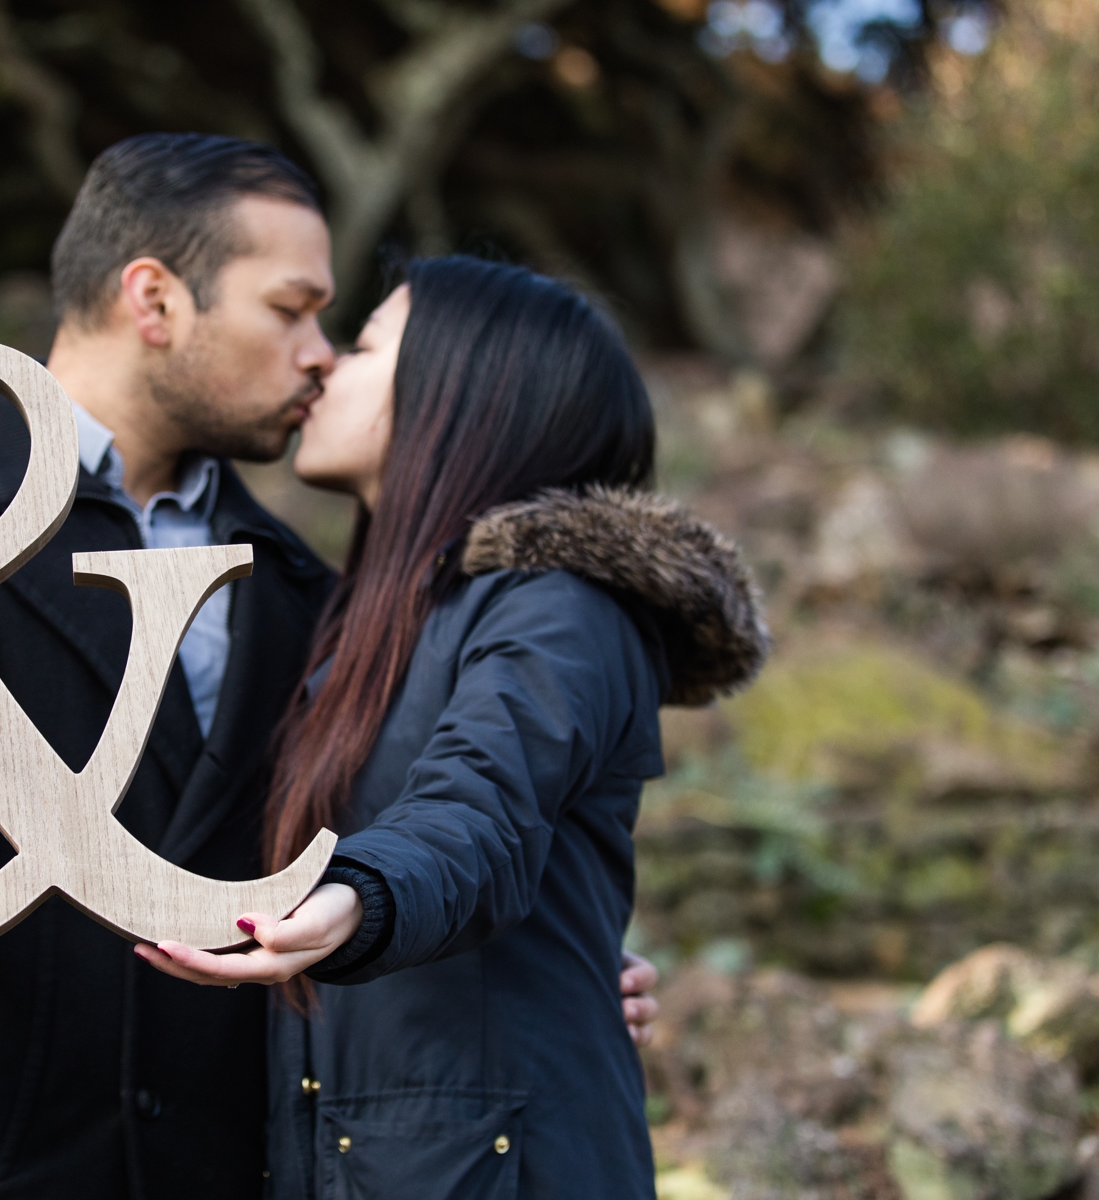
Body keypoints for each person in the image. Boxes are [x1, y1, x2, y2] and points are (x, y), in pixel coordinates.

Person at [0, 135, 658, 1200]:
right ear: (156, 301)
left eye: (337, 327)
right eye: (291, 309)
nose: (318, 352)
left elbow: (445, 803)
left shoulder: (300, 583)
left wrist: (552, 955)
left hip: (227, 1163)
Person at [139, 257, 767, 1198]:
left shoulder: (561, 609)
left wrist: (355, 895)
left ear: (464, 395)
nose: (324, 368)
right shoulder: (374, 624)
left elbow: (477, 809)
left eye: (364, 345)